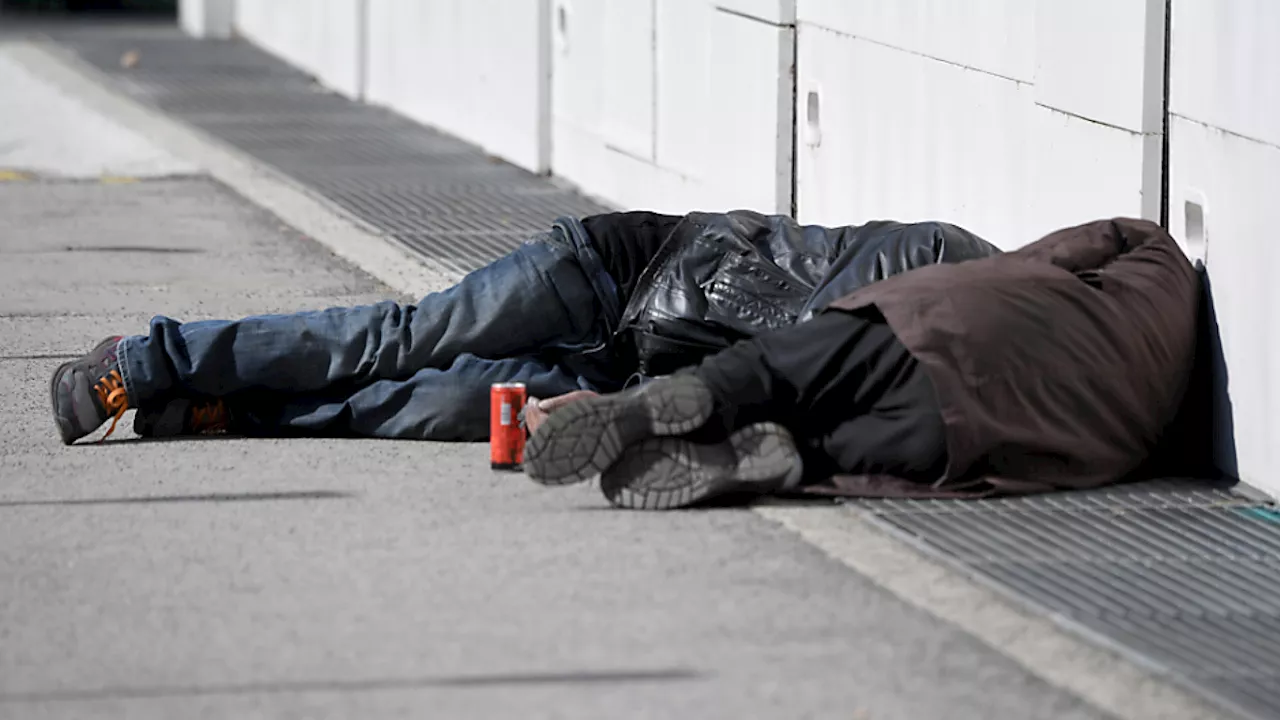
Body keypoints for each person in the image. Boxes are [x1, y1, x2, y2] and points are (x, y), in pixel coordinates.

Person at [50, 210, 998, 445]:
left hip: (634, 369)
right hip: (612, 270)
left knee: (440, 407)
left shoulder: (924, 376)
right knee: (406, 338)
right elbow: (774, 306)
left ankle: (224, 410)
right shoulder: (939, 258)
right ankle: (147, 361)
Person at [523, 218, 1202, 510]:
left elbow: (1057, 254)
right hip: (981, 430)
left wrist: (1009, 278)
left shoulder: (1153, 257)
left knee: (776, 371)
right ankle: (788, 460)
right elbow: (1050, 472)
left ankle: (684, 399)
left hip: (950, 325)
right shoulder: (1142, 437)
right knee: (837, 448)